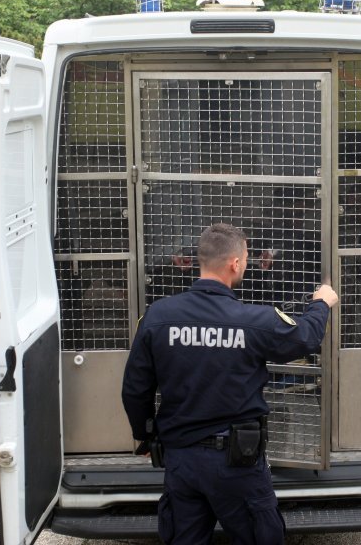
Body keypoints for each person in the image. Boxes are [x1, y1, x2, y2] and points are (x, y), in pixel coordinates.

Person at [122, 223, 339, 545]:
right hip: (237, 461)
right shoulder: (254, 320)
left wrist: (144, 436)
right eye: (247, 258)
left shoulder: (158, 317)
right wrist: (322, 303)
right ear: (235, 263)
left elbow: (135, 389)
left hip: (181, 459)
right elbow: (305, 336)